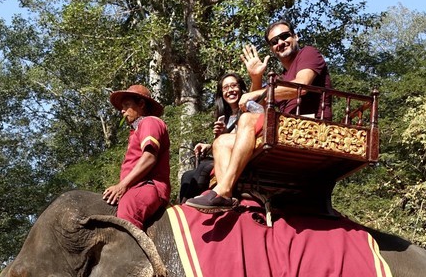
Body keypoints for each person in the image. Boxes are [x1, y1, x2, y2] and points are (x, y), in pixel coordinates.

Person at [185, 19, 332, 211]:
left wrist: (256, 93)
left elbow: (301, 86)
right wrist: (256, 78)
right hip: (285, 127)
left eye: (285, 36)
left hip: (311, 125)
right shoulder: (280, 78)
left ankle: (224, 189)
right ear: (272, 49)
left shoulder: (308, 53)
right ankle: (225, 198)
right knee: (220, 142)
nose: (280, 42)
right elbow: (257, 107)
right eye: (274, 41)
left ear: (295, 37)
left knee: (246, 119)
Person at [103, 84, 171, 229]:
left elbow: (149, 157)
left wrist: (122, 185)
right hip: (136, 186)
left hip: (149, 186)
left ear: (141, 104)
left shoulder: (150, 122)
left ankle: (135, 252)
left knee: (128, 211)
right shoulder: (137, 130)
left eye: (127, 105)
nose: (122, 110)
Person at [179, 72, 245, 203]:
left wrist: (226, 134)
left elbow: (247, 136)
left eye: (233, 86)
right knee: (187, 175)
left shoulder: (248, 109)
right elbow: (220, 143)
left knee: (204, 167)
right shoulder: (224, 117)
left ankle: (203, 200)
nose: (230, 90)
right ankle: (185, 206)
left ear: (241, 88)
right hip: (223, 155)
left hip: (239, 155)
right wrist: (209, 146)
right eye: (225, 88)